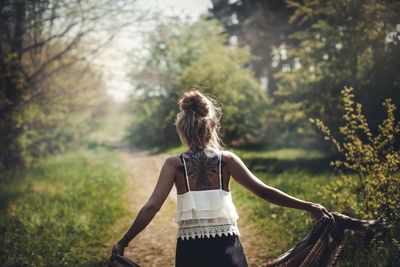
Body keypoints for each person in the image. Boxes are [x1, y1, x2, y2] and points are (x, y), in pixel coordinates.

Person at [112, 89, 333, 267]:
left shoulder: (174, 164)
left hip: (191, 251)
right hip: (227, 246)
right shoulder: (227, 160)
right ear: (212, 126)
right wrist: (308, 206)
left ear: (182, 129)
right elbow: (264, 191)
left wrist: (125, 241)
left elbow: (152, 207)